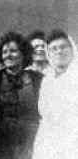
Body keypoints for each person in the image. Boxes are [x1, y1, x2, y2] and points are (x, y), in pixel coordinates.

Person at [0, 32, 42, 159]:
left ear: (23, 54)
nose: (8, 55)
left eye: (13, 51)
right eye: (4, 52)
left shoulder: (37, 79)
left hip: (30, 146)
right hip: (0, 148)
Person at [32, 30, 78, 159]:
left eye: (63, 47)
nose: (59, 51)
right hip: (48, 143)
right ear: (48, 53)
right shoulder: (47, 80)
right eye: (54, 49)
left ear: (72, 49)